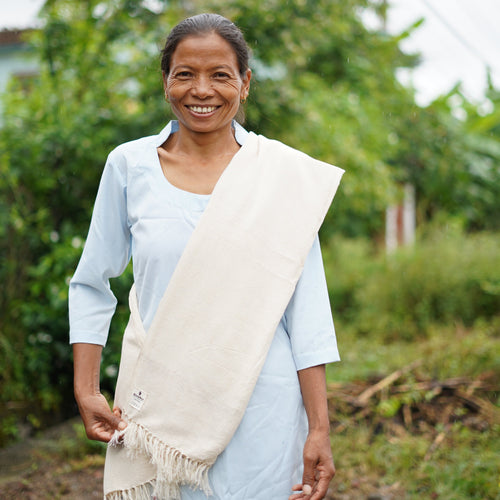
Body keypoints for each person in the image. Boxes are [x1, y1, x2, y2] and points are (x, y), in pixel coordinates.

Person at [69, 13, 342, 500]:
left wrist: (318, 428)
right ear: (165, 81)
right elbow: (92, 281)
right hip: (160, 404)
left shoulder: (278, 175)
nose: (202, 90)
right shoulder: (129, 166)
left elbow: (308, 313)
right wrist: (86, 387)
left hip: (263, 405)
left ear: (245, 84)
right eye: (185, 74)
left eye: (220, 75)